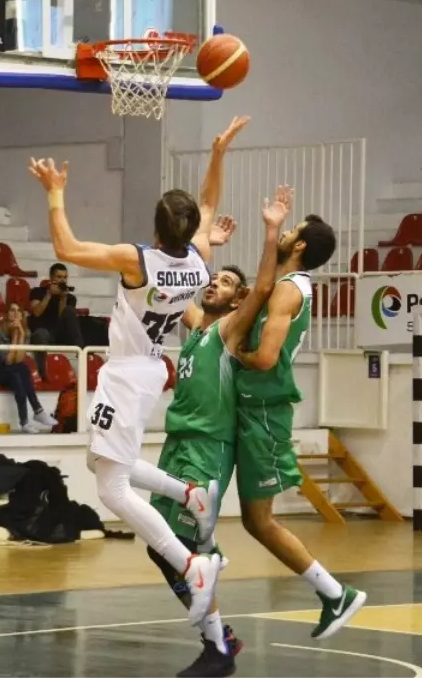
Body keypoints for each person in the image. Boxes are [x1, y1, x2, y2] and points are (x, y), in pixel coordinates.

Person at [27, 115, 251, 627]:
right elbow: (210, 205)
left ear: (155, 226)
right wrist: (216, 154)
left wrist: (55, 192)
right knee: (101, 462)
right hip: (149, 368)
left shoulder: (138, 261)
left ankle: (190, 564)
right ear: (190, 229)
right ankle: (188, 492)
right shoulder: (199, 261)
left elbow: (66, 250)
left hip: (129, 373)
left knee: (111, 489)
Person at [148, 188, 290, 678]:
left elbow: (266, 285)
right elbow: (188, 274)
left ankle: (218, 647)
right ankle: (220, 639)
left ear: (237, 299)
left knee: (181, 549)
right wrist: (205, 239)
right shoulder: (196, 326)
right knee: (158, 545)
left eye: (227, 282)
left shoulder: (230, 330)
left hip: (207, 450)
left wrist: (271, 230)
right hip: (177, 445)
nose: (216, 284)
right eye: (215, 279)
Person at [232, 212, 367, 640]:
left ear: (302, 246)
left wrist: (234, 351)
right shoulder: (287, 285)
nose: (287, 235)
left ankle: (335, 594)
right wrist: (272, 229)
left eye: (292, 233)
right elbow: (266, 277)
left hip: (266, 413)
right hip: (251, 406)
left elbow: (267, 358)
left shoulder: (290, 292)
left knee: (260, 522)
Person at [0, 302, 58, 433]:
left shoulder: (25, 332)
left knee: (19, 371)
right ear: (6, 314)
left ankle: (26, 422)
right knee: (19, 370)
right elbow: (8, 361)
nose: (15, 313)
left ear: (22, 315)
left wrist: (20, 334)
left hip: (9, 371)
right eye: (12, 310)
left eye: (18, 311)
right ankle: (37, 411)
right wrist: (16, 336)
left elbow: (18, 360)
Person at [28, 262, 84, 349]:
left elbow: (63, 318)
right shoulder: (37, 291)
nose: (62, 280)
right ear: (51, 277)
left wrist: (63, 298)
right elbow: (36, 313)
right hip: (42, 331)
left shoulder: (70, 298)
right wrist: (49, 294)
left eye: (65, 277)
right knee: (41, 334)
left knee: (69, 310)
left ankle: (80, 350)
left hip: (60, 333)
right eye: (59, 277)